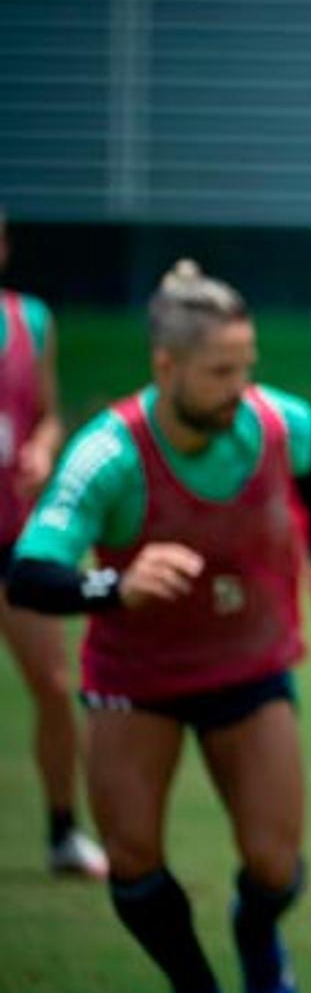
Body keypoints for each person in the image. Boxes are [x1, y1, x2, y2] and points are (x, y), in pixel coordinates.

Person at [5, 261, 311, 993]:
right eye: (221, 371)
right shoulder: (109, 454)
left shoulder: (278, 423)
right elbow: (29, 574)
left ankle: (256, 935)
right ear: (166, 366)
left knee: (275, 865)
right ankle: (194, 988)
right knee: (131, 861)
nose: (241, 388)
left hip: (250, 665)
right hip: (138, 681)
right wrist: (115, 586)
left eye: (247, 366)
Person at [0, 211, 107, 878]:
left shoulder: (30, 322)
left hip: (17, 537)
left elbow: (46, 415)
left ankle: (64, 830)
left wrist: (42, 448)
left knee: (52, 682)